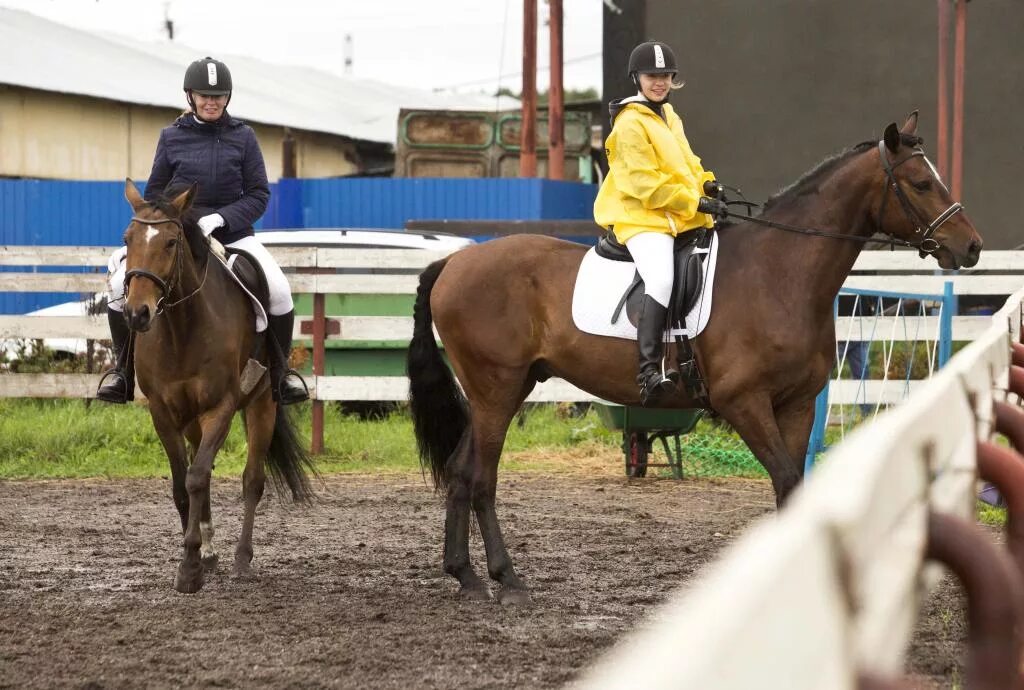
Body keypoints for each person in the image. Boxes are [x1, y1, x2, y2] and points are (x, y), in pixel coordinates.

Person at [96, 56, 309, 405]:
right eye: (204, 96)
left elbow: (259, 195)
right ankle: (123, 372)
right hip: (178, 236)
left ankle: (281, 376)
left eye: (219, 96)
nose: (212, 102)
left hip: (233, 235)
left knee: (280, 291)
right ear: (190, 96)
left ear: (227, 98)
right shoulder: (171, 137)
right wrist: (174, 220)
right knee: (121, 284)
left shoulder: (244, 137)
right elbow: (154, 194)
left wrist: (222, 218)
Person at [593, 40, 728, 405]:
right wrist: (693, 201)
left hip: (674, 215)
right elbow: (644, 184)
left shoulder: (669, 115)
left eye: (666, 76)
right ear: (637, 77)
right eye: (653, 76)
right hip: (640, 217)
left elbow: (688, 163)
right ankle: (648, 371)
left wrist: (708, 185)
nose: (660, 82)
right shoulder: (629, 123)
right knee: (662, 276)